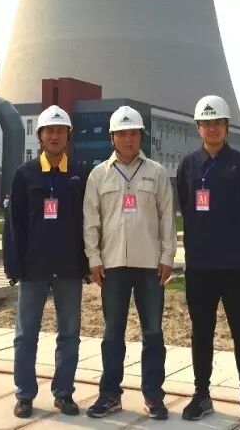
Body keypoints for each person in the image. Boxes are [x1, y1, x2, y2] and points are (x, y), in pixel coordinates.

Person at [83, 105, 177, 420]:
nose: (128, 139)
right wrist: (94, 259)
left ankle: (154, 395)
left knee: (153, 333)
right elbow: (91, 221)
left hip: (150, 266)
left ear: (141, 136)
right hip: (112, 266)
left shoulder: (156, 172)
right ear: (112, 137)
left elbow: (167, 219)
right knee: (113, 334)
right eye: (122, 134)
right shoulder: (99, 175)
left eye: (133, 133)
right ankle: (110, 394)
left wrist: (167, 257)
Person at [176, 95, 240, 425]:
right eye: (205, 124)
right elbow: (185, 204)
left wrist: (232, 235)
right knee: (201, 332)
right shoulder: (188, 165)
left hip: (235, 265)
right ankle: (201, 395)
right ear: (198, 128)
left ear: (227, 127)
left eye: (217, 123)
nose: (211, 129)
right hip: (200, 266)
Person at [3, 105, 89, 418]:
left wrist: (87, 263)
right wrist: (14, 266)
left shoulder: (80, 173)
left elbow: (89, 222)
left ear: (68, 135)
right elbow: (13, 224)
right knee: (26, 334)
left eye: (60, 130)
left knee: (69, 334)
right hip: (33, 267)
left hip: (68, 267)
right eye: (49, 131)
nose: (54, 136)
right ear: (40, 136)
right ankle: (25, 394)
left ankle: (64, 393)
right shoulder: (25, 174)